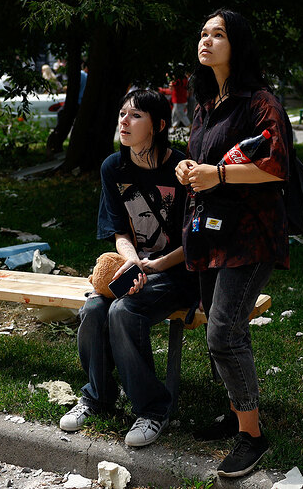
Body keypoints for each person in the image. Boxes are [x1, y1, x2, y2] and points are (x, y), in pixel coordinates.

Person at [175, 9, 291, 479]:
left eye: (217, 34)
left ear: (236, 44)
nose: (206, 40)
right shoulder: (207, 102)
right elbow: (204, 158)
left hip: (250, 234)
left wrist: (218, 174)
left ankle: (252, 436)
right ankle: (235, 412)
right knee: (217, 326)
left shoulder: (260, 101)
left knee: (223, 332)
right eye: (203, 33)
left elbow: (276, 165)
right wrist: (188, 168)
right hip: (211, 231)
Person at [59, 88, 196, 447]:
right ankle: (97, 397)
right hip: (137, 265)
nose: (124, 121)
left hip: (178, 273)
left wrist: (155, 265)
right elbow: (119, 232)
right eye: (122, 113)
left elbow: (195, 239)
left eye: (135, 115)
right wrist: (133, 261)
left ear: (159, 125)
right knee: (93, 307)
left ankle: (152, 410)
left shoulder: (182, 169)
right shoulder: (113, 167)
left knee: (123, 310)